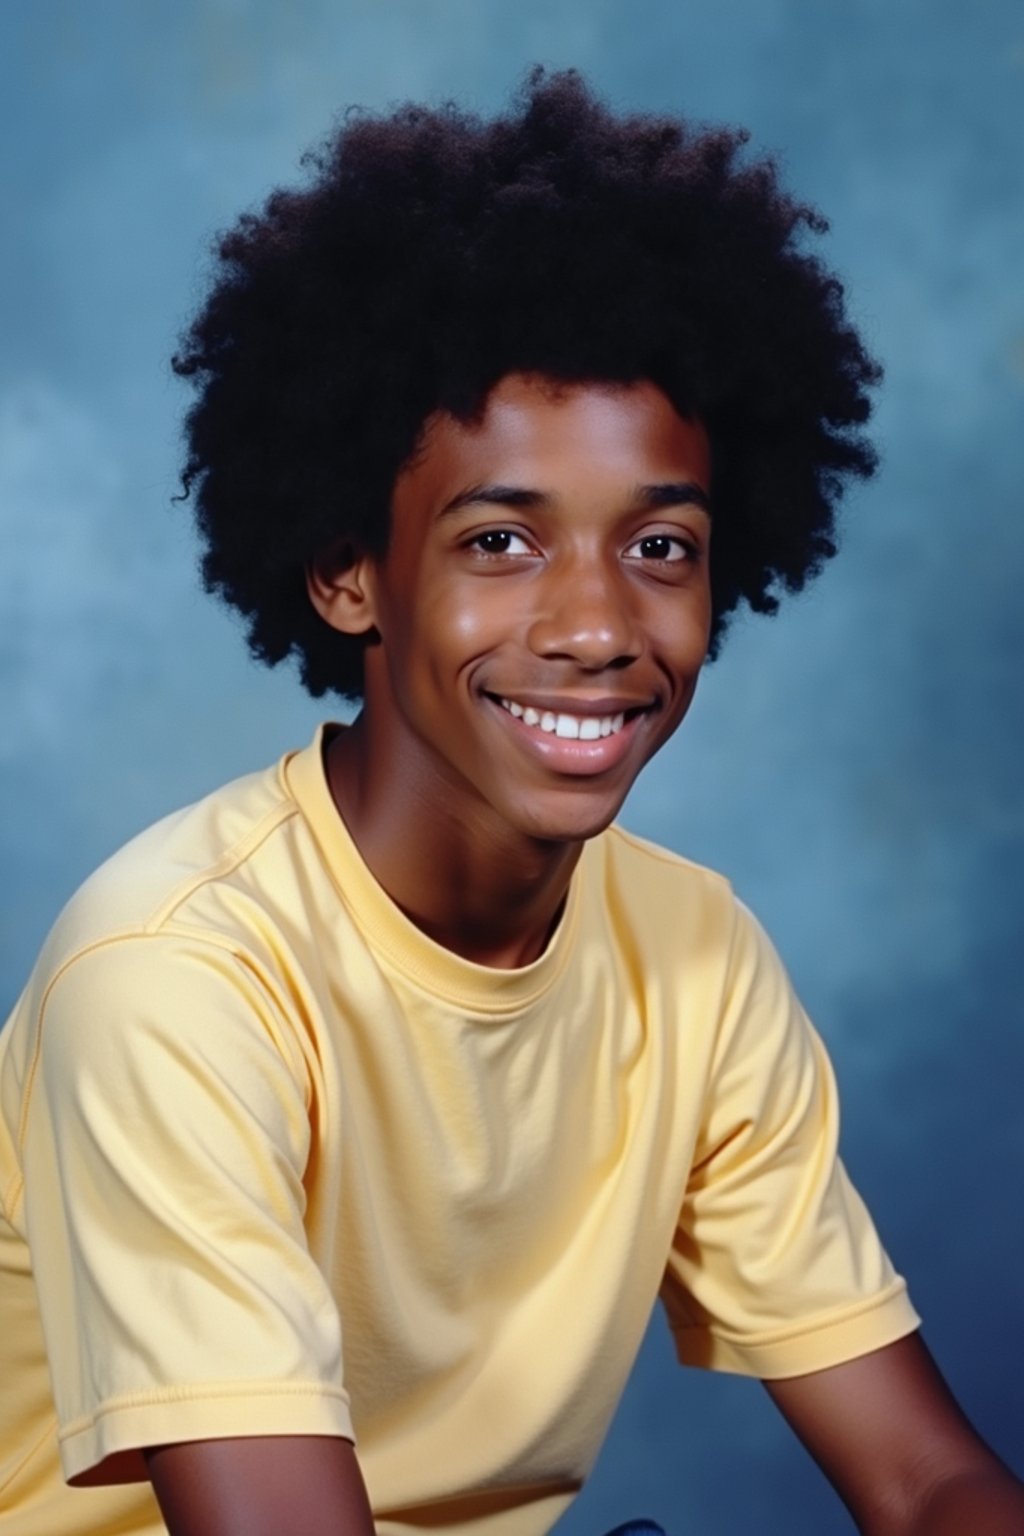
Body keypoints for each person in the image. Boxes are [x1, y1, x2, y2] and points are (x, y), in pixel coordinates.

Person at [0, 69, 1020, 1536]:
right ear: (351, 572)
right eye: (502, 540)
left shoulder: (696, 955)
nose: (600, 623)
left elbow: (927, 1479)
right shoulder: (173, 977)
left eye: (661, 545)